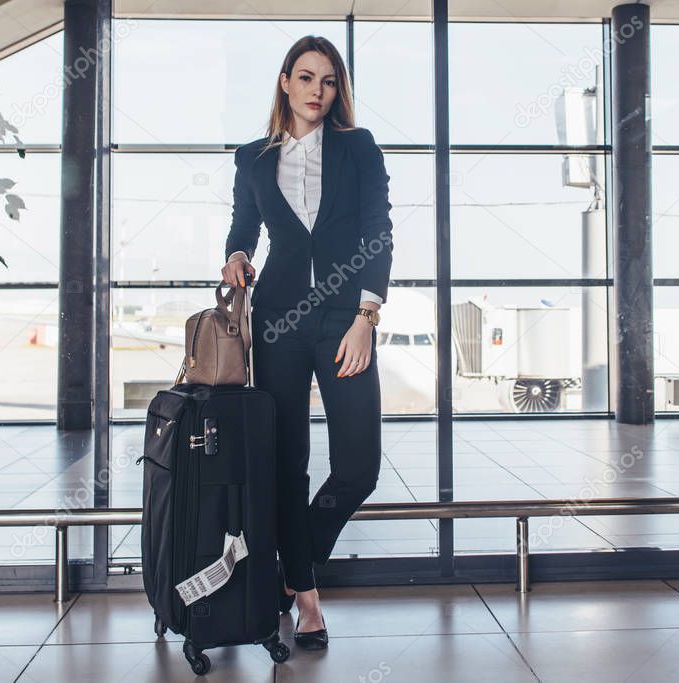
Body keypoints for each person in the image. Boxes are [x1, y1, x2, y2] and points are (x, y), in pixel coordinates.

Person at [220, 34, 393, 651]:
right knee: (287, 463)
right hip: (279, 322)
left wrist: (365, 317)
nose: (317, 91)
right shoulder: (253, 157)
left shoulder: (357, 147)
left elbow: (380, 230)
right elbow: (243, 228)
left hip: (346, 320)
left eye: (328, 81)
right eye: (306, 78)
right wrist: (236, 254)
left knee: (357, 466)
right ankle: (309, 601)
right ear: (285, 82)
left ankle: (291, 574)